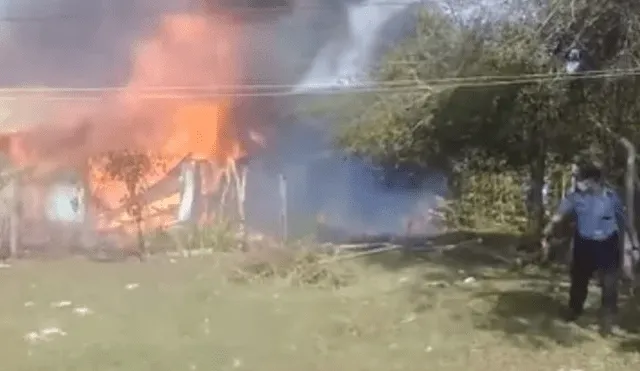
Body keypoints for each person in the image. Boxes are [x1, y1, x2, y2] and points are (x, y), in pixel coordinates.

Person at [541, 162, 639, 336]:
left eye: (581, 179)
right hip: (584, 244)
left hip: (607, 244)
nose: (578, 182)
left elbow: (626, 222)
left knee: (609, 285)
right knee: (579, 279)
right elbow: (559, 215)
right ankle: (574, 310)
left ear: (593, 180)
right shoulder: (576, 197)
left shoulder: (611, 197)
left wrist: (635, 244)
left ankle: (607, 320)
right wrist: (548, 228)